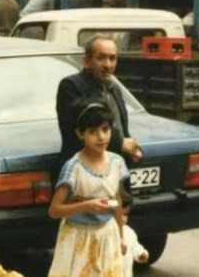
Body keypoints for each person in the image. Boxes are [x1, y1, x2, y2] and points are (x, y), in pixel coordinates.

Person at [47, 100, 128, 277]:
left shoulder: (116, 163)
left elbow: (116, 200)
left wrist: (121, 236)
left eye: (105, 129)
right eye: (93, 132)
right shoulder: (73, 168)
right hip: (78, 237)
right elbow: (54, 210)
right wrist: (86, 206)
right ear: (80, 134)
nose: (101, 137)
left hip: (107, 236)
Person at [56, 34, 143, 164]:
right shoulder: (71, 86)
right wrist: (121, 143)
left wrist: (133, 150)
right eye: (101, 58)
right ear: (87, 61)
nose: (107, 64)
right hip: (84, 171)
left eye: (112, 58)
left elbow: (122, 129)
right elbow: (78, 129)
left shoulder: (114, 89)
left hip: (113, 170)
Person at [120, 191, 149, 277]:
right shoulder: (105, 234)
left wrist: (141, 254)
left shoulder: (129, 232)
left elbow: (134, 246)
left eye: (125, 215)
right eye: (119, 215)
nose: (122, 219)